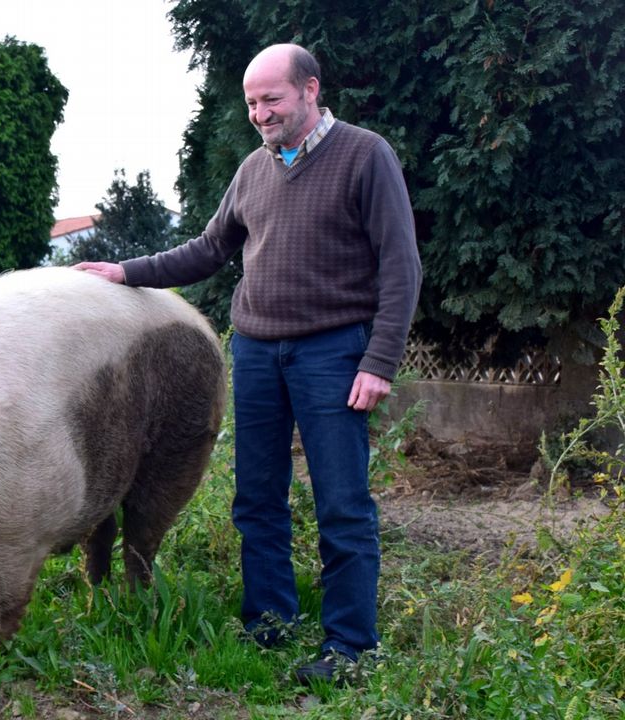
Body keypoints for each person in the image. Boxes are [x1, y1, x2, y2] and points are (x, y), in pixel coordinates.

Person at [76, 43, 421, 685]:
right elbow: (208, 250)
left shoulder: (365, 155)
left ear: (311, 90)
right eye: (252, 103)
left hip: (333, 353)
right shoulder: (254, 170)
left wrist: (380, 360)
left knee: (342, 502)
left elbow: (401, 265)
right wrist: (127, 271)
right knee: (257, 498)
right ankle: (270, 622)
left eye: (273, 99)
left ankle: (349, 646)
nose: (261, 114)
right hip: (257, 351)